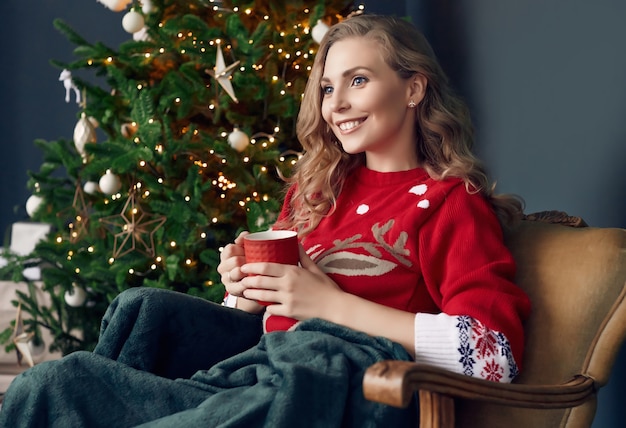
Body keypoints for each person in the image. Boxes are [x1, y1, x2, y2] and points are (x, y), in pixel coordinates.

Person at [0, 14, 530, 428]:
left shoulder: (447, 202)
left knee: (311, 352)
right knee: (56, 379)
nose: (336, 103)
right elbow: (261, 321)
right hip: (253, 370)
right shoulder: (317, 190)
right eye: (326, 87)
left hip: (341, 387)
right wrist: (245, 292)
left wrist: (330, 305)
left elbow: (493, 355)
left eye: (358, 81)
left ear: (413, 89)